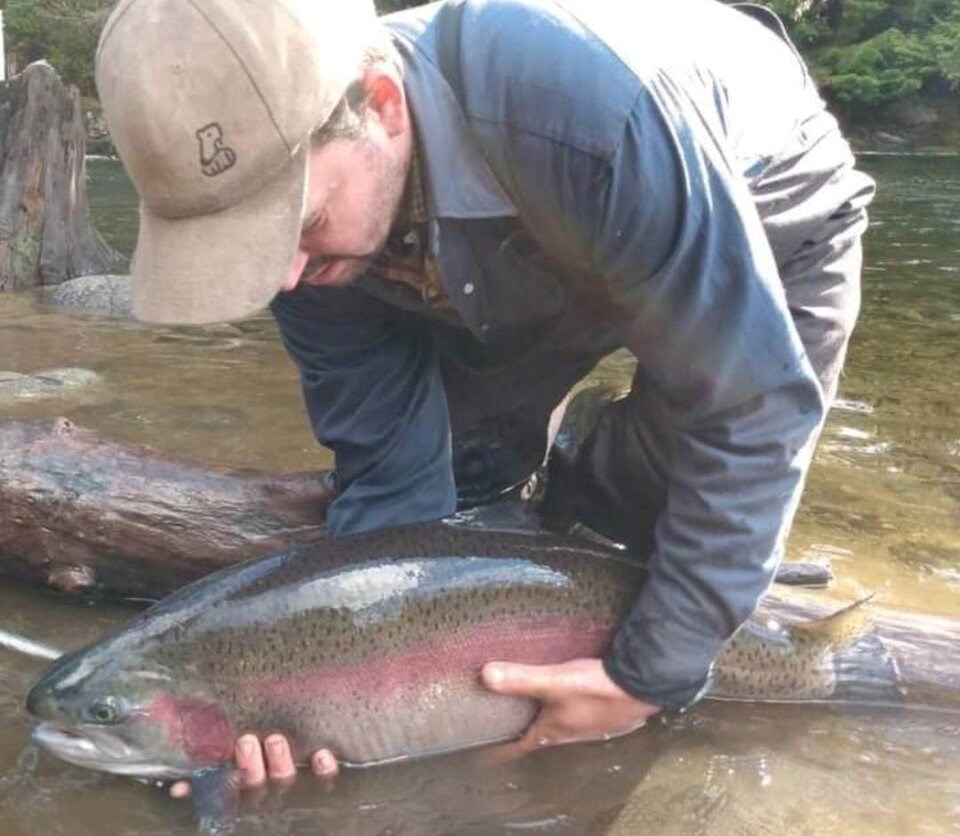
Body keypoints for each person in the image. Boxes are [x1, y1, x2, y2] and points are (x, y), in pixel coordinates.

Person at [95, 0, 875, 792]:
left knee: (672, 527)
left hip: (759, 204)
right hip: (511, 238)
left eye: (302, 223)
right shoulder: (306, 244)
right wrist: (338, 702)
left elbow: (751, 409)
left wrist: (645, 679)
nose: (283, 277)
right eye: (250, 250)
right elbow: (393, 491)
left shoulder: (592, 113)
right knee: (478, 488)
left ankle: (622, 478)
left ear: (382, 103)